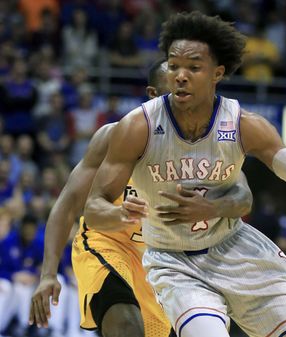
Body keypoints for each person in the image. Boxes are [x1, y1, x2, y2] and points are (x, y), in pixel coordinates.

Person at [84, 11, 286, 337]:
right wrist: (118, 213)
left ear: (216, 74)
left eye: (193, 68)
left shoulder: (242, 123)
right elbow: (94, 208)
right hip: (174, 262)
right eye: (174, 65)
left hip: (237, 249)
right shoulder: (137, 127)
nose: (180, 76)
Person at [29, 58, 253, 337]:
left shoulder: (209, 145)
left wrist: (214, 206)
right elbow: (67, 204)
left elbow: (243, 197)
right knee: (125, 326)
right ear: (153, 95)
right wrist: (48, 273)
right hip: (108, 243)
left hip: (163, 259)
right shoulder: (114, 136)